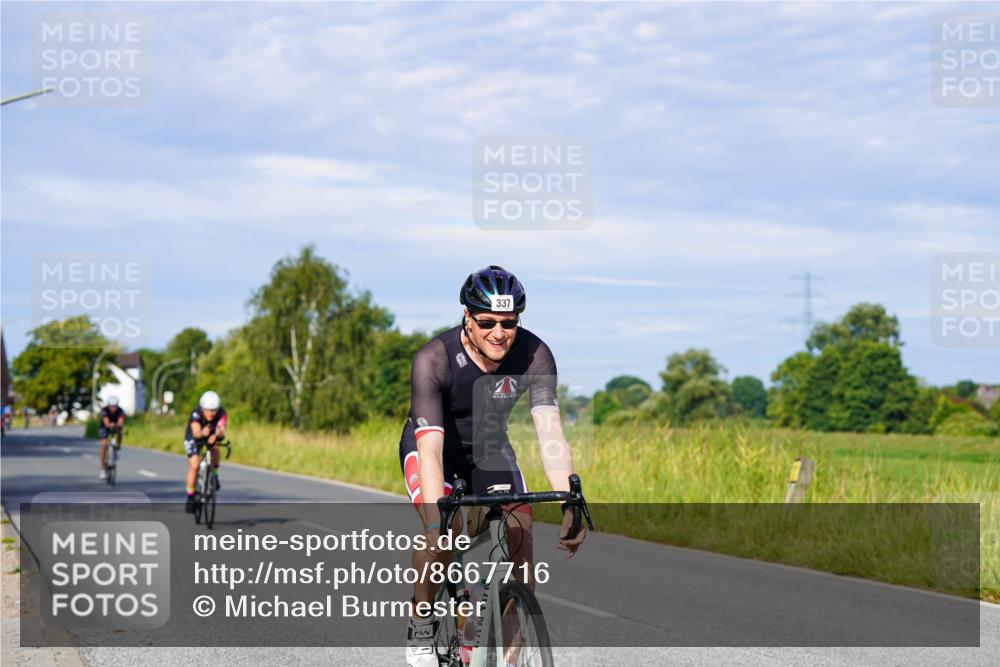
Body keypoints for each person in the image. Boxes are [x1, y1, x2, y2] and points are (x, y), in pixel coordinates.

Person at [401, 265, 587, 666]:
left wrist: (569, 502)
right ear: (467, 317)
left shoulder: (535, 355)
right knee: (445, 534)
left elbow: (550, 433)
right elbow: (429, 450)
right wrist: (435, 523)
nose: (498, 333)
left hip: (489, 447)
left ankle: (509, 655)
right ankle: (421, 618)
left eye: (509, 322)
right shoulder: (434, 359)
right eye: (486, 322)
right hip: (435, 449)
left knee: (521, 532)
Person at [184, 390, 227, 513]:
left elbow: (222, 428)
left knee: (216, 447)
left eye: (214, 410)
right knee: (195, 465)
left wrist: (218, 434)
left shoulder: (222, 413)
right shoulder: (196, 413)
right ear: (202, 408)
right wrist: (204, 433)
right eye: (208, 410)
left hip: (211, 434)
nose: (211, 413)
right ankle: (190, 495)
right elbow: (197, 433)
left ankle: (215, 475)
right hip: (194, 436)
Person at [98, 396, 126, 480]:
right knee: (104, 445)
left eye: (115, 406)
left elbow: (121, 422)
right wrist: (110, 425)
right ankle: (103, 469)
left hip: (116, 426)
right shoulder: (104, 410)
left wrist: (117, 425)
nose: (113, 408)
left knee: (120, 432)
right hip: (105, 428)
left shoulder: (120, 411)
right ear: (108, 405)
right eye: (111, 406)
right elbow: (106, 422)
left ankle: (118, 446)